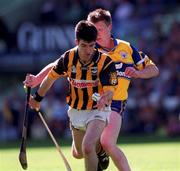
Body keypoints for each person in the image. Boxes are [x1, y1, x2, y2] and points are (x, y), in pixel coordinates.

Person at [24, 9, 159, 171]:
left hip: (114, 103)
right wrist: (37, 80)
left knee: (107, 142)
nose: (96, 34)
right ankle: (97, 152)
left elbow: (153, 69)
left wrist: (138, 73)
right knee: (78, 153)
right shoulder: (88, 49)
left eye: (100, 29)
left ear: (110, 27)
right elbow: (57, 66)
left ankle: (101, 152)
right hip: (86, 103)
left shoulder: (127, 48)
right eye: (93, 30)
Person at [28, 20, 118, 171]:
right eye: (84, 45)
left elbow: (110, 90)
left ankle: (95, 150)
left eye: (92, 45)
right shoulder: (67, 59)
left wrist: (106, 97)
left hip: (98, 109)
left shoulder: (105, 62)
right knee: (79, 153)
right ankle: (100, 150)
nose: (88, 51)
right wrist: (37, 99)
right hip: (76, 110)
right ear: (76, 42)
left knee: (87, 146)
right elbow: (50, 78)